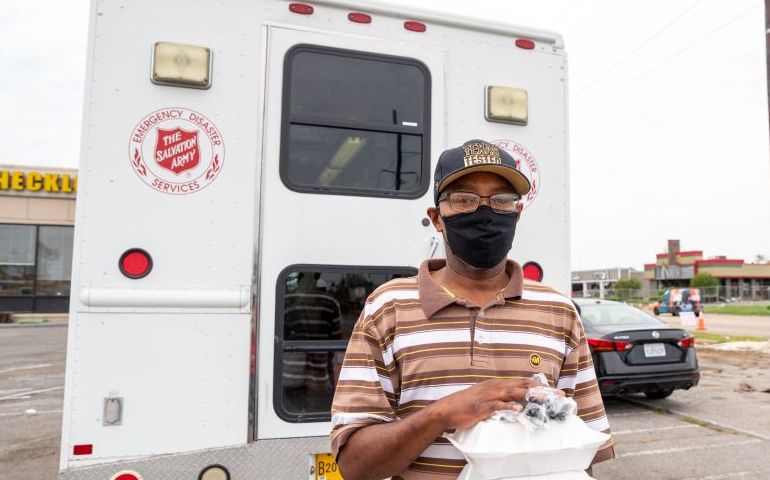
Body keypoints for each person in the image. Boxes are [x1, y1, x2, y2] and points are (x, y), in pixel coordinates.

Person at [330, 139, 614, 480]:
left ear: (517, 212)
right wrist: (442, 414)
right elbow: (353, 466)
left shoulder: (559, 312)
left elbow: (584, 453)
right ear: (437, 218)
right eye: (464, 200)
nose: (485, 213)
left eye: (502, 200)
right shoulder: (387, 309)